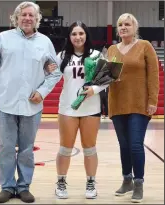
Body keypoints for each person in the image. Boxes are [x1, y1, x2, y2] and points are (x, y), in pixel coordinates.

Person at [0, 1, 61, 203]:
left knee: (27, 149)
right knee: (6, 148)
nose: (28, 18)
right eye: (24, 15)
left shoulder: (45, 42)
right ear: (16, 18)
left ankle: (24, 186)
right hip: (5, 105)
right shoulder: (3, 39)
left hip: (32, 106)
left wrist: (42, 91)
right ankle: (7, 187)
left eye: (31, 15)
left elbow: (54, 73)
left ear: (37, 19)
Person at [47, 21, 107, 199]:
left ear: (86, 35)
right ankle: (61, 182)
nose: (78, 37)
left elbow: (106, 79)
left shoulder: (97, 55)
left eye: (81, 33)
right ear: (69, 37)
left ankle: (90, 182)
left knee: (90, 148)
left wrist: (94, 90)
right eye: (74, 34)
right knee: (65, 148)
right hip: (67, 108)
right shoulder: (62, 55)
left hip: (91, 108)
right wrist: (47, 69)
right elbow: (51, 76)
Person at [107, 13, 159, 203]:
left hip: (139, 103)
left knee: (136, 144)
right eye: (120, 24)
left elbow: (154, 76)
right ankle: (126, 179)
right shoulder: (112, 49)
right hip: (117, 102)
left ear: (134, 27)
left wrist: (152, 101)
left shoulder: (145, 46)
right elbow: (106, 77)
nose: (123, 27)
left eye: (127, 24)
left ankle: (139, 183)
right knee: (124, 145)